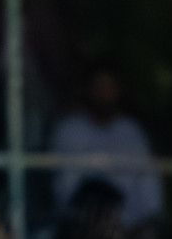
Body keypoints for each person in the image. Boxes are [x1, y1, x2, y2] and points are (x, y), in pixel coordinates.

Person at [50, 65, 161, 229]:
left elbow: (148, 182)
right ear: (87, 89)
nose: (104, 93)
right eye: (99, 86)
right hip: (79, 226)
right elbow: (64, 186)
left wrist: (147, 223)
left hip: (128, 228)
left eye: (110, 87)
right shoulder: (69, 129)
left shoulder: (131, 131)